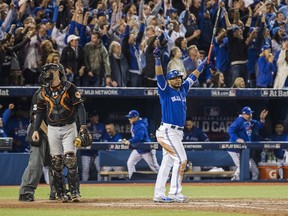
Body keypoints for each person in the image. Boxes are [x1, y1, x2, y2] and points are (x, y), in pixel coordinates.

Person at [153, 47, 207, 203]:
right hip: (168, 131)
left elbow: (193, 77)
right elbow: (159, 75)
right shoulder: (165, 89)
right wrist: (157, 60)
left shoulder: (183, 89)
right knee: (181, 159)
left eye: (179, 77)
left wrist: (201, 66)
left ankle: (158, 194)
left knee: (167, 162)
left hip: (176, 133)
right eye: (175, 77)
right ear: (170, 80)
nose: (178, 79)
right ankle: (175, 192)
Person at [31, 63, 87, 203]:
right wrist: (36, 129)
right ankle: (61, 194)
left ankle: (75, 192)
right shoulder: (44, 91)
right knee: (56, 162)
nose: (46, 74)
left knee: (70, 159)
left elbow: (79, 107)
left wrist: (83, 126)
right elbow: (40, 112)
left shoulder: (69, 87)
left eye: (49, 70)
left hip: (69, 127)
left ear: (57, 71)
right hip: (52, 128)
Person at [19, 88, 56, 202]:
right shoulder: (40, 93)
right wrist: (50, 134)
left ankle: (57, 191)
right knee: (36, 162)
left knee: (56, 162)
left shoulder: (63, 93)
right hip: (38, 129)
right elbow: (36, 118)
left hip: (55, 129)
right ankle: (26, 192)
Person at [227, 106, 268, 181]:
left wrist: (262, 119)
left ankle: (252, 187)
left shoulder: (250, 121)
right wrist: (237, 139)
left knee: (255, 171)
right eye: (248, 114)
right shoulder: (239, 120)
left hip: (244, 150)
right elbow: (230, 130)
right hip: (234, 149)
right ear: (243, 114)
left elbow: (259, 125)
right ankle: (234, 180)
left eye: (251, 114)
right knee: (242, 166)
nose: (250, 115)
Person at [123, 110, 159, 179]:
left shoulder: (140, 125)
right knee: (130, 163)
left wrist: (129, 141)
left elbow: (139, 138)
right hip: (138, 149)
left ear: (136, 117)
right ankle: (132, 179)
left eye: (131, 117)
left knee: (154, 167)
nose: (129, 119)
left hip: (147, 149)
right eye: (129, 117)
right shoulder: (134, 124)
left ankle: (166, 179)